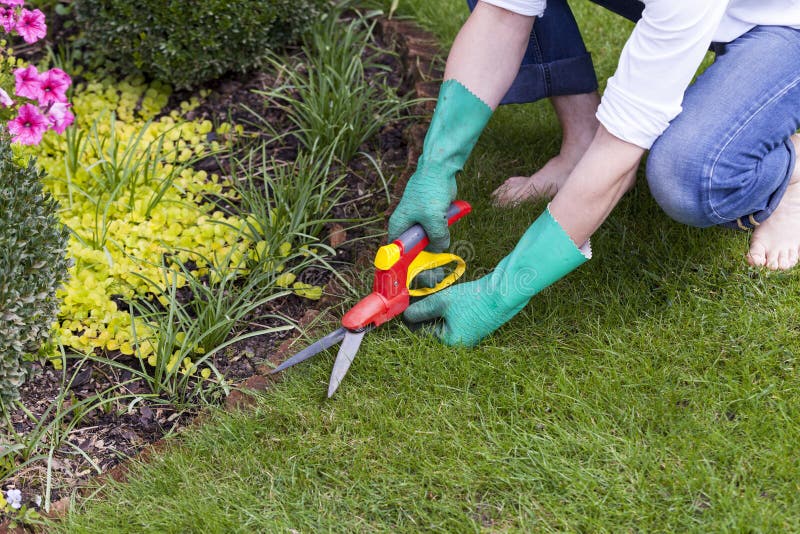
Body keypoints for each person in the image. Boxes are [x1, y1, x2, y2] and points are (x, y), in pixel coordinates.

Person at [388, 0, 800, 347]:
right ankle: (578, 143)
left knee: (690, 175)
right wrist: (435, 168)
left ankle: (791, 173)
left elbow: (623, 144)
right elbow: (502, 15)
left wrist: (504, 290)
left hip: (782, 19)